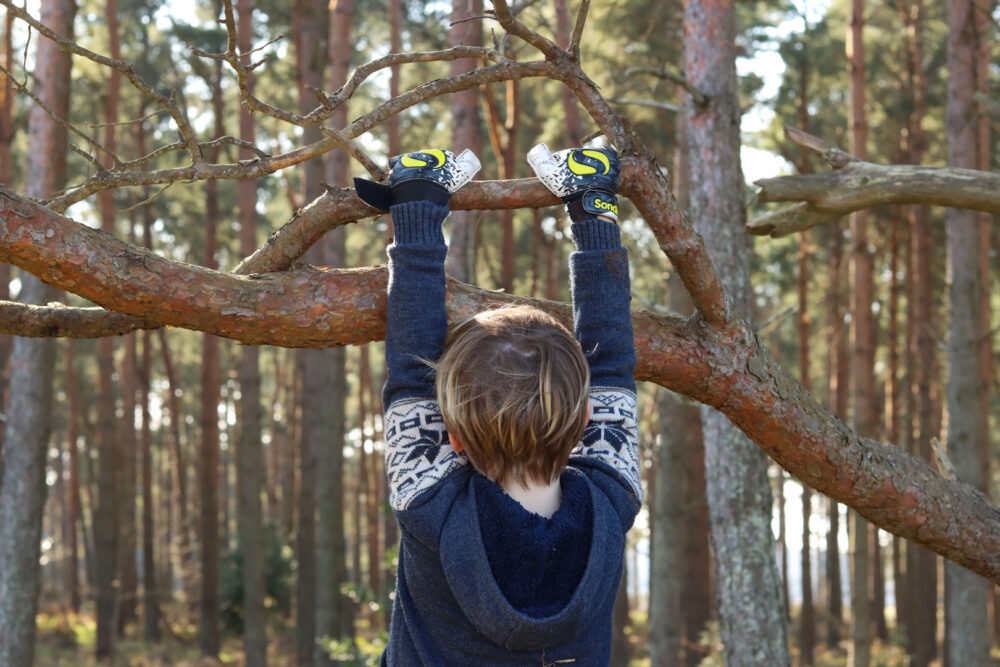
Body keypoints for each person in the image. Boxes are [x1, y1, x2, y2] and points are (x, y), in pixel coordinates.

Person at [354, 142, 640, 666]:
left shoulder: (430, 505)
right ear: (584, 422)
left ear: (453, 437)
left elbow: (412, 364)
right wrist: (593, 209)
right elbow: (613, 364)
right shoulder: (611, 497)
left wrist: (416, 212)